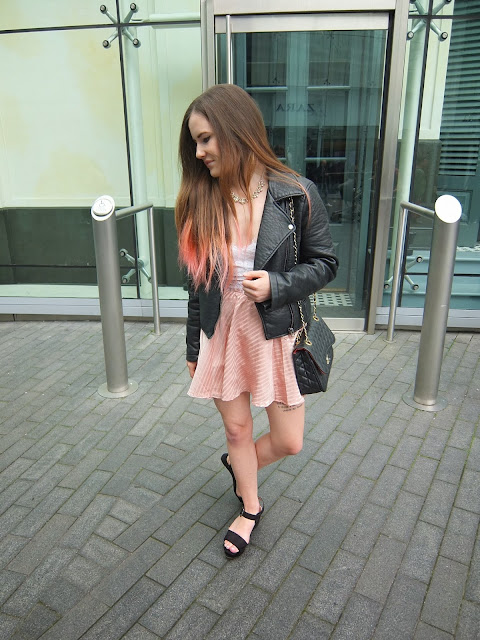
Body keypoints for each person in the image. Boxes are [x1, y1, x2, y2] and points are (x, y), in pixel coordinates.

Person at [175, 84, 338, 559]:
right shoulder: (201, 200)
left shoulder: (296, 193)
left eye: (206, 139)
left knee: (289, 441)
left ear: (236, 130)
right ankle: (249, 506)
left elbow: (325, 263)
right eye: (195, 142)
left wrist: (278, 285)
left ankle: (239, 464)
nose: (199, 152)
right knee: (237, 430)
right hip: (222, 331)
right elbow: (197, 284)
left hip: (276, 331)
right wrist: (193, 347)